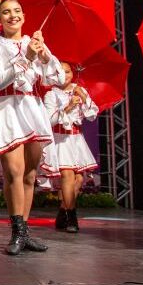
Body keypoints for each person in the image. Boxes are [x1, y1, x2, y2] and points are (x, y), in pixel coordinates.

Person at [0, 0, 64, 255]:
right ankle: (17, 231)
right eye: (6, 12)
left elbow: (58, 78)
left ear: (24, 15)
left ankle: (25, 231)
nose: (12, 16)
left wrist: (44, 55)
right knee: (14, 173)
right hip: (6, 110)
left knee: (30, 175)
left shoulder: (35, 42)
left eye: (17, 11)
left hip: (31, 109)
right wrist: (25, 57)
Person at [43, 61, 99, 233]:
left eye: (67, 71)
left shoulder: (79, 90)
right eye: (60, 71)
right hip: (60, 139)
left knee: (79, 180)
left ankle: (62, 212)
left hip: (77, 139)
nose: (65, 75)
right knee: (67, 177)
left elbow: (92, 115)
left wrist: (83, 96)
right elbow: (49, 120)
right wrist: (67, 107)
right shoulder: (51, 94)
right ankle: (71, 216)